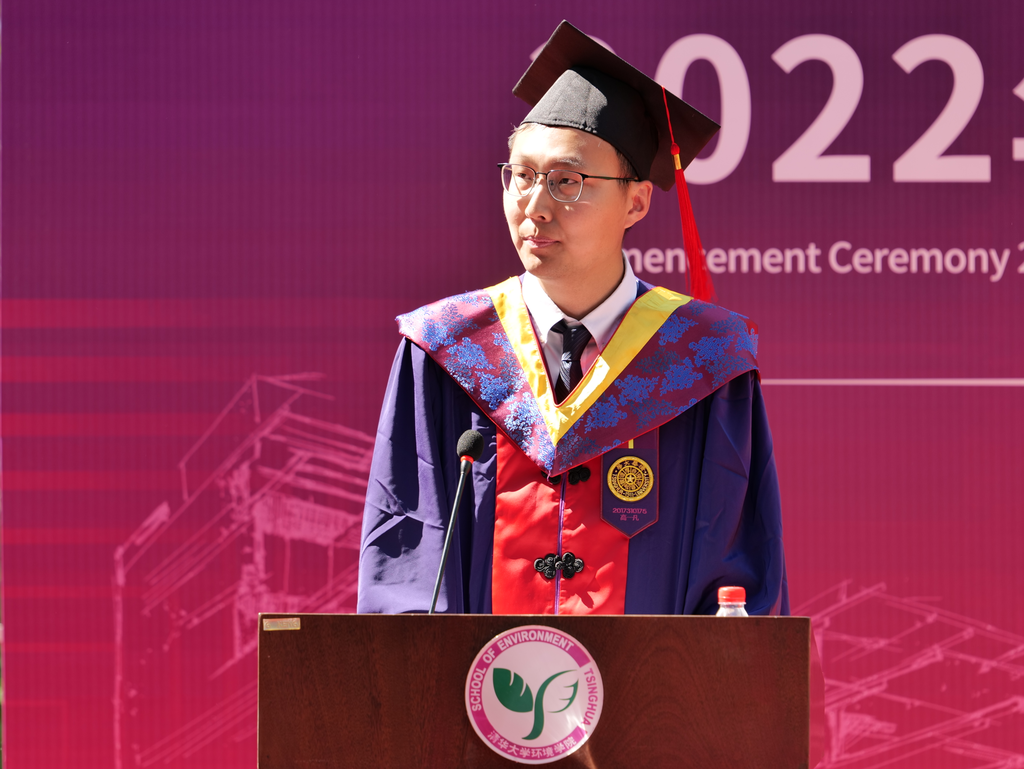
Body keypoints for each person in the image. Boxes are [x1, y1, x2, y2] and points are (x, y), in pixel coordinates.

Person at [357, 21, 788, 616]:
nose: (534, 206)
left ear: (636, 201)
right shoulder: (447, 349)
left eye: (566, 181)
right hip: (477, 676)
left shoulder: (704, 360)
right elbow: (406, 559)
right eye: (521, 176)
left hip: (650, 677)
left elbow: (736, 578)